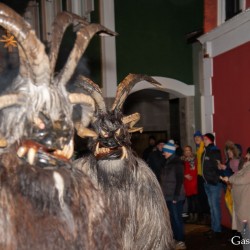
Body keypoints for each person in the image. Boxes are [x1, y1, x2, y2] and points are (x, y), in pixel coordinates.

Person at [221, 147, 250, 250]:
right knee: (245, 235)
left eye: (248, 154)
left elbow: (241, 179)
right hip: (243, 207)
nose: (246, 156)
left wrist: (230, 178)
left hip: (247, 209)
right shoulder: (246, 167)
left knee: (247, 235)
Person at [160, 140, 186, 250]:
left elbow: (180, 180)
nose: (163, 153)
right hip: (168, 195)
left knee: (176, 218)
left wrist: (175, 197)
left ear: (169, 151)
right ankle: (175, 238)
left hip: (175, 196)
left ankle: (181, 240)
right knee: (172, 218)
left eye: (164, 151)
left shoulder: (177, 163)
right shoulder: (168, 162)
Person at [201, 133, 223, 238]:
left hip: (214, 184)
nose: (203, 140)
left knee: (215, 207)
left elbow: (218, 167)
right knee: (211, 208)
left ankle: (217, 230)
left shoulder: (214, 151)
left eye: (205, 139)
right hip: (207, 183)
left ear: (210, 140)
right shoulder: (205, 151)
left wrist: (214, 180)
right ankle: (214, 228)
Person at [193, 130, 210, 224]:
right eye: (195, 137)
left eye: (198, 137)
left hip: (203, 176)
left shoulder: (203, 147)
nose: (196, 139)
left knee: (205, 197)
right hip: (199, 175)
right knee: (201, 197)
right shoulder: (199, 147)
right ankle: (205, 217)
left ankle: (207, 217)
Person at [181, 145, 199, 223]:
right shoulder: (182, 160)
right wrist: (184, 175)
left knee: (194, 200)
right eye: (186, 150)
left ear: (191, 151)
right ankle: (191, 216)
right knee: (189, 200)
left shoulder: (193, 159)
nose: (187, 152)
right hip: (186, 182)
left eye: (189, 150)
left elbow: (194, 171)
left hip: (193, 181)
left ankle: (195, 216)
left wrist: (189, 176)